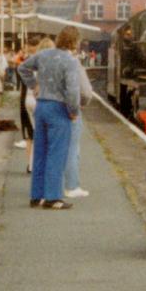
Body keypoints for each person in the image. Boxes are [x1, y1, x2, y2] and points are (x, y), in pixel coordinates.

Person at [19, 28, 81, 210]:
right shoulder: (70, 61)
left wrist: (33, 85)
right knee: (57, 153)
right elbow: (73, 91)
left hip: (42, 106)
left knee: (40, 152)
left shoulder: (43, 55)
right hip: (59, 109)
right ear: (73, 42)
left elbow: (22, 68)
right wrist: (73, 111)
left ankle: (36, 196)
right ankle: (53, 197)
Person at [64, 47, 96, 198]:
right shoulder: (73, 62)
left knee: (51, 149)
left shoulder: (48, 59)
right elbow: (86, 91)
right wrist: (79, 105)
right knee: (72, 148)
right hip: (71, 110)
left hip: (49, 108)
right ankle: (72, 186)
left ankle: (48, 189)